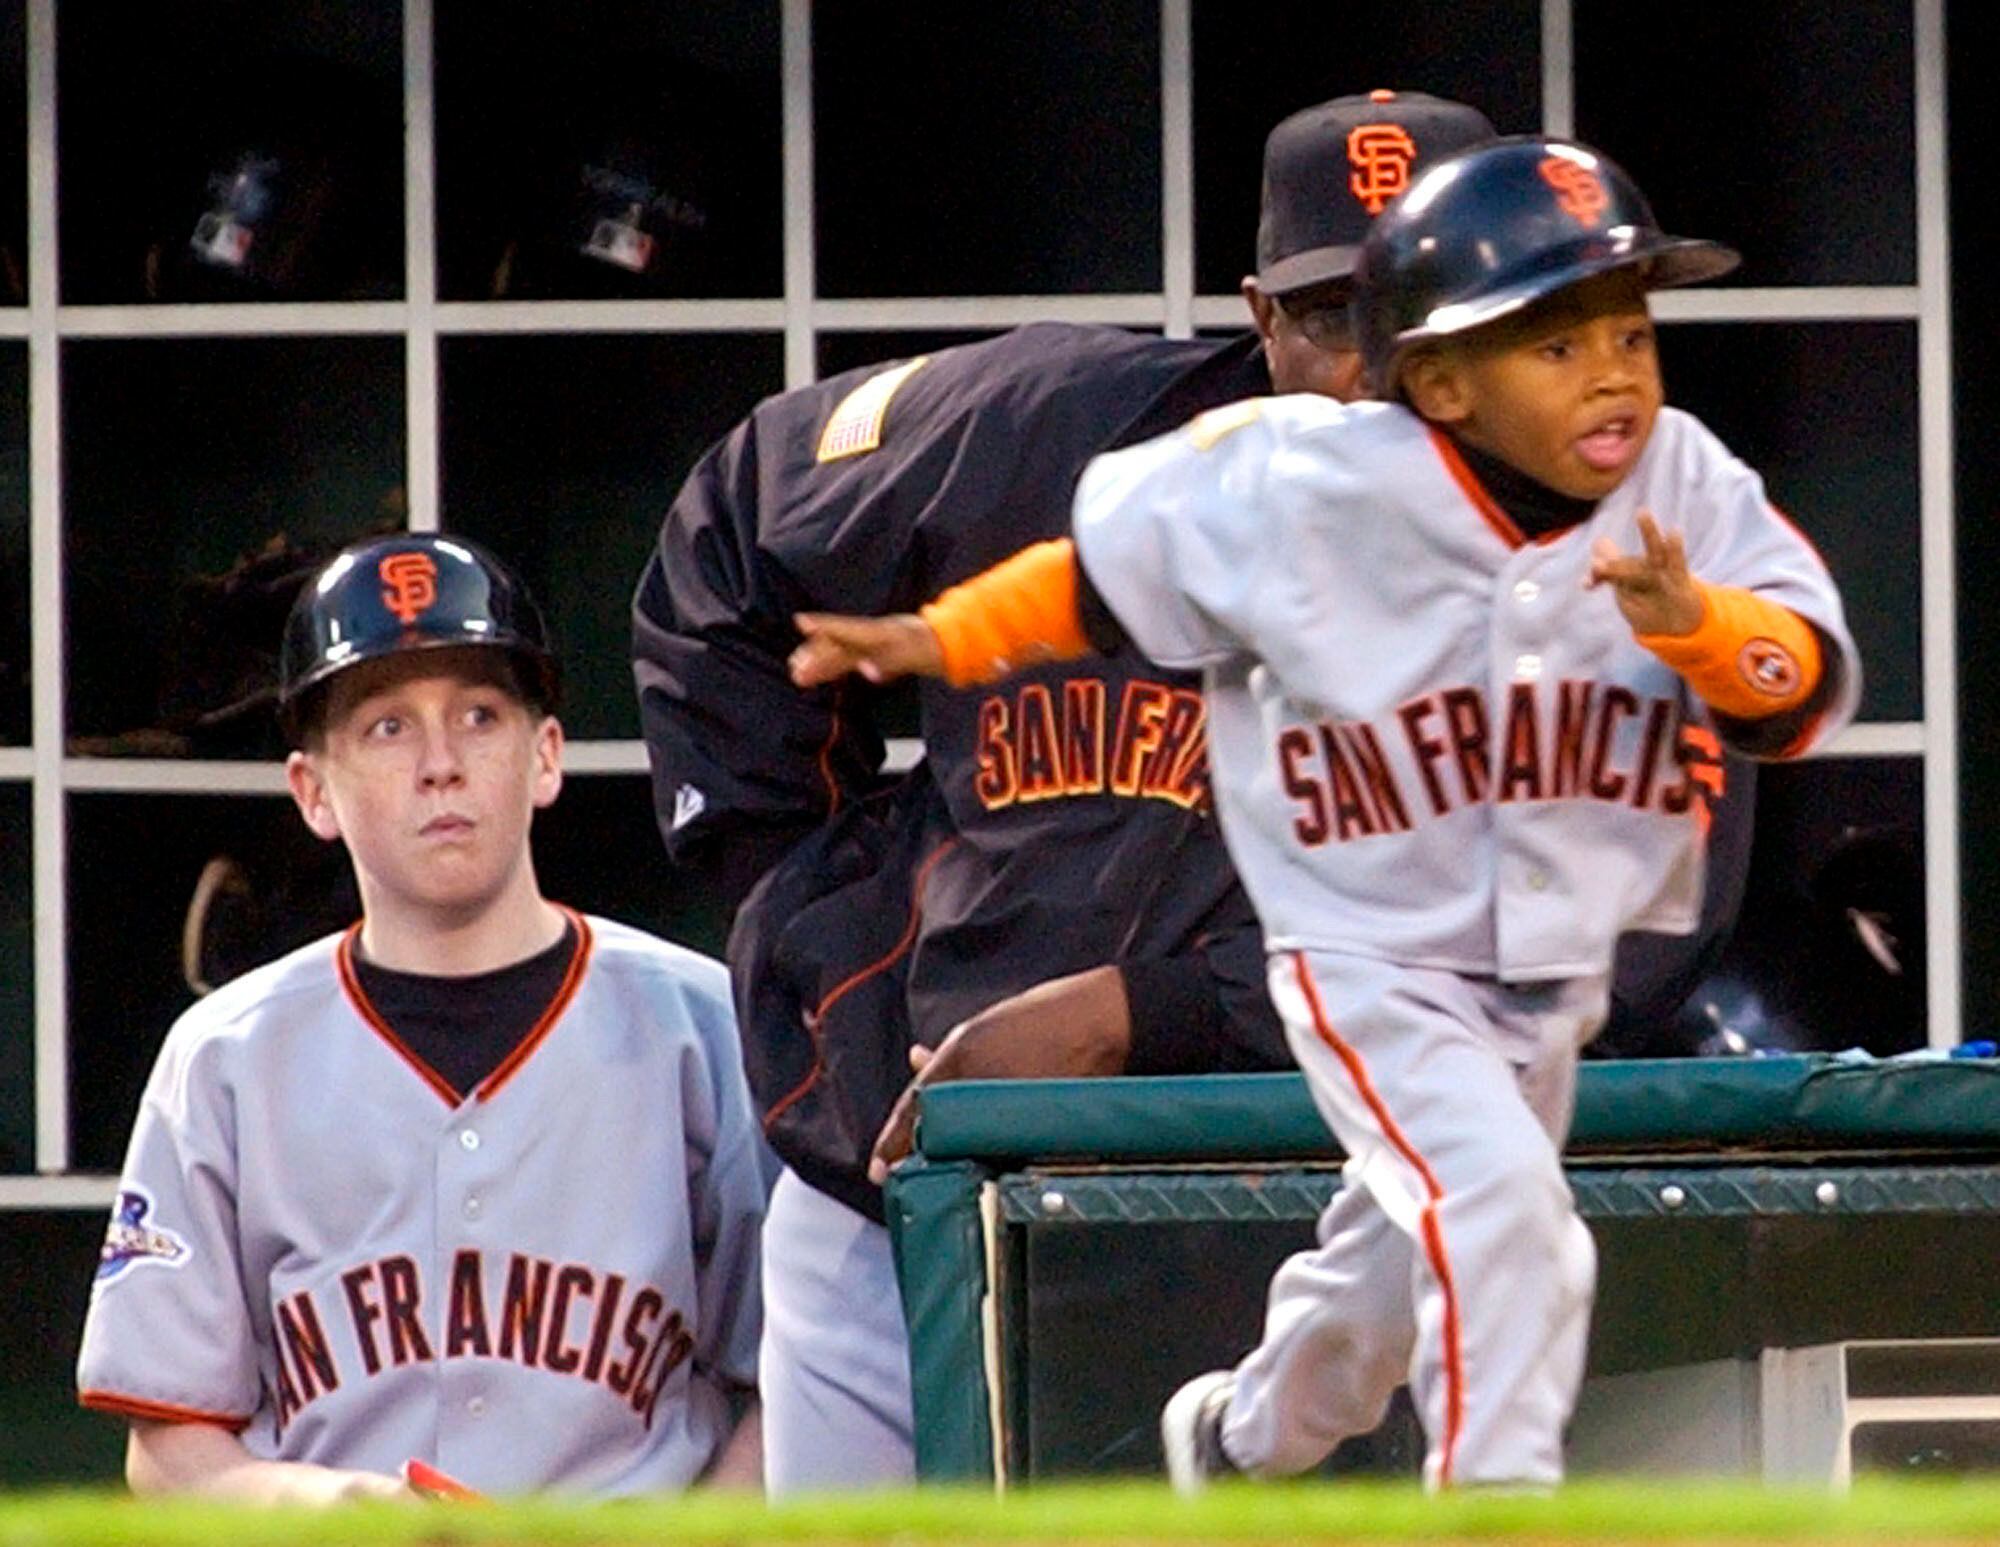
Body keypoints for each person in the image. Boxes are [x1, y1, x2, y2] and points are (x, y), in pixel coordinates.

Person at [785, 137, 1860, 1491]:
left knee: (1392, 1251)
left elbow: (1799, 676)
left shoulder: (1680, 485)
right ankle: (1499, 1501)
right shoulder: (1300, 481)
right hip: (1364, 954)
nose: (1609, 369)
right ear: (1441, 377)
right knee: (1506, 1216)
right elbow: (1098, 582)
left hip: (1542, 975)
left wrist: (1699, 626)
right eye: (1552, 337)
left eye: (1628, 330)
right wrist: (939, 641)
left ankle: (1244, 1435)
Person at [633, 90, 1498, 1495]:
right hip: (910, 1196)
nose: (1372, 382)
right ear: (1260, 318)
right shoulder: (1043, 430)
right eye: (1335, 320)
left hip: (1287, 1237)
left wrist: (1137, 1014)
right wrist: (812, 903)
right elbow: (733, 526)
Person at [77, 534, 765, 1502]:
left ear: (545, 756)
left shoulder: (703, 1028)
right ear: (313, 789)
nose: (441, 763)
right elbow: (168, 1444)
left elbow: (794, 1386)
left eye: (479, 714)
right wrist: (336, 1510)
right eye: (386, 726)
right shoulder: (225, 1057)